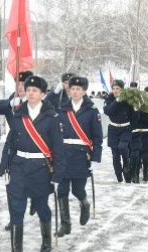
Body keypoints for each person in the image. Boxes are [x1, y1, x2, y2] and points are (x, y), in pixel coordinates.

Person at [0, 75, 65, 252]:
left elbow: (58, 148)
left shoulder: (52, 118)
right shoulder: (18, 115)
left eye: (35, 90)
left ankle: (46, 238)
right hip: (19, 167)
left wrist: (57, 176)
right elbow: (10, 142)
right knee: (16, 209)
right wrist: (4, 166)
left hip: (41, 169)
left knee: (42, 206)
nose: (30, 93)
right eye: (28, 90)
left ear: (43, 94)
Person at [56, 76, 103, 237]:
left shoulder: (92, 111)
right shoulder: (62, 109)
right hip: (63, 155)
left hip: (81, 157)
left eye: (78, 89)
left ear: (84, 91)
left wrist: (96, 158)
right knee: (61, 190)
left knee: (77, 190)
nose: (74, 92)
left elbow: (97, 137)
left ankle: (85, 204)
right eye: (72, 88)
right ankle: (65, 224)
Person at [0, 70, 37, 229]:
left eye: (23, 84)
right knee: (11, 185)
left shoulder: (38, 103)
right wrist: (8, 104)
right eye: (17, 83)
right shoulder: (13, 101)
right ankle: (14, 219)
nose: (20, 86)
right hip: (14, 149)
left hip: (34, 149)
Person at [104, 79, 138, 182]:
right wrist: (117, 100)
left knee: (123, 147)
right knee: (115, 156)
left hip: (125, 128)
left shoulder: (128, 100)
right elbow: (108, 111)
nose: (115, 90)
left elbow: (135, 118)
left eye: (117, 88)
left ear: (122, 89)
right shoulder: (109, 98)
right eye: (113, 88)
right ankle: (119, 176)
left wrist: (136, 108)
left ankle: (127, 165)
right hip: (113, 129)